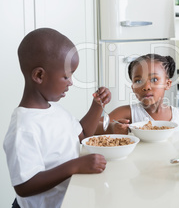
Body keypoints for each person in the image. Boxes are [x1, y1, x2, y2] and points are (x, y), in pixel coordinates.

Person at [3, 28, 111, 208]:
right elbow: (24, 185)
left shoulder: (56, 110)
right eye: (66, 76)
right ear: (39, 75)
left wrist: (97, 106)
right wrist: (75, 167)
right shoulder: (23, 127)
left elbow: (82, 135)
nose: (71, 82)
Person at [97, 54, 179, 134]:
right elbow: (92, 127)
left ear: (167, 84)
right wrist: (111, 128)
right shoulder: (128, 112)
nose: (146, 87)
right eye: (138, 81)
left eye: (154, 79)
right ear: (133, 88)